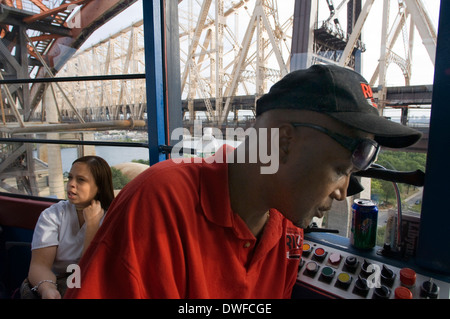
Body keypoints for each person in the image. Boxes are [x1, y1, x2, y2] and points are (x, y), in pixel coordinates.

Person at [65, 65, 421, 299]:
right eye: (341, 168)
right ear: (284, 142)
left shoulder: (287, 236)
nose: (344, 191)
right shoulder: (161, 201)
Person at [23, 155, 114, 299]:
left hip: (95, 284)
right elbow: (39, 265)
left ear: (99, 187)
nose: (71, 184)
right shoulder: (52, 215)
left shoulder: (111, 218)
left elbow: (92, 271)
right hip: (57, 283)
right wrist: (48, 290)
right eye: (70, 177)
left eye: (81, 180)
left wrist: (92, 226)